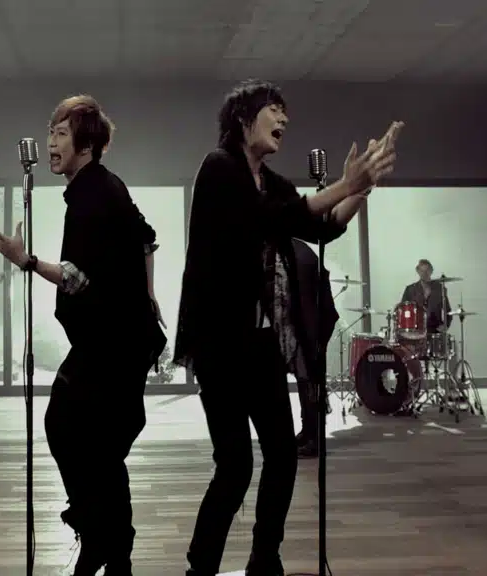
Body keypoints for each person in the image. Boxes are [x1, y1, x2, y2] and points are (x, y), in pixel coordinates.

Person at [173, 79, 402, 576]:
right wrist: (344, 184)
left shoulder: (270, 182)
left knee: (282, 455)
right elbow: (266, 219)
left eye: (284, 112)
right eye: (274, 110)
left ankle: (265, 558)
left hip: (261, 344)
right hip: (219, 346)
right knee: (235, 465)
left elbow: (320, 225)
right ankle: (200, 568)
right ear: (243, 118)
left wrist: (362, 188)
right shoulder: (219, 168)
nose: (284, 119)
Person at [0, 94, 165, 576]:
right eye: (50, 133)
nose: (50, 142)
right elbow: (147, 239)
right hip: (116, 340)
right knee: (98, 449)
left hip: (112, 343)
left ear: (85, 143)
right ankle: (112, 551)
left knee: (67, 427)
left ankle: (97, 533)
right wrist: (147, 296)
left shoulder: (91, 194)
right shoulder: (104, 186)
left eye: (60, 134)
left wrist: (24, 260)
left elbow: (77, 277)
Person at [289, 238, 342, 459]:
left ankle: (314, 440)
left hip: (311, 327)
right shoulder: (298, 250)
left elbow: (303, 301)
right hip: (313, 324)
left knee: (310, 382)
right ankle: (309, 432)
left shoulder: (295, 254)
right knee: (308, 382)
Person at [398, 259, 451, 333]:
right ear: (418, 271)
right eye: (422, 271)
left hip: (435, 331)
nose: (424, 273)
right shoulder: (410, 289)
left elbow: (448, 311)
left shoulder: (439, 289)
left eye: (427, 270)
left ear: (431, 271)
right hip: (415, 331)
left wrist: (446, 325)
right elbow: (402, 310)